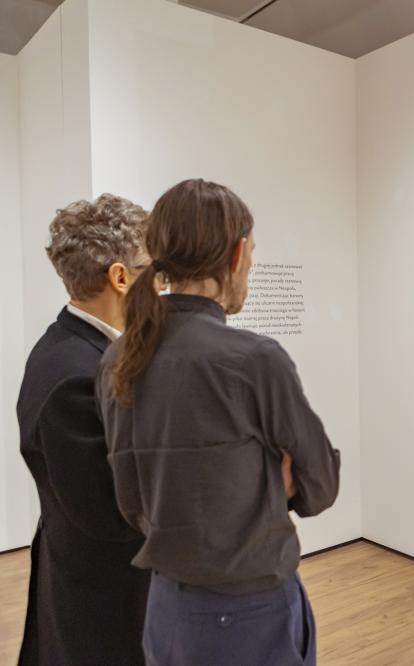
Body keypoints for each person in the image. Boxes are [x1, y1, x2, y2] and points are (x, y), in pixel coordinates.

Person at [95, 179, 341, 666]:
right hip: (250, 613)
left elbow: (133, 499)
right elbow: (321, 484)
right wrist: (270, 482)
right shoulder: (254, 360)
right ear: (237, 253)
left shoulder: (117, 360)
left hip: (165, 609)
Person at [16, 194, 151, 666]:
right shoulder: (74, 374)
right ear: (120, 277)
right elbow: (108, 513)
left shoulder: (79, 350)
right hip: (104, 600)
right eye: (153, 270)